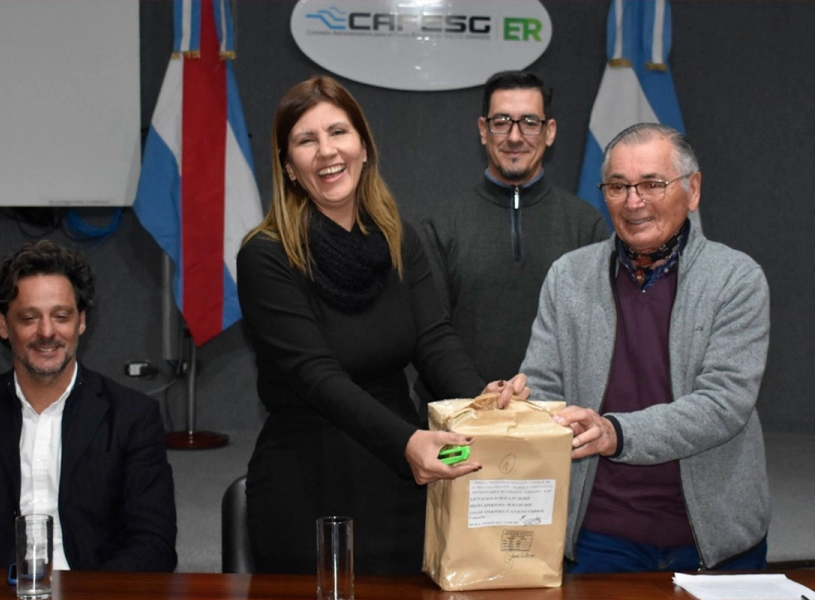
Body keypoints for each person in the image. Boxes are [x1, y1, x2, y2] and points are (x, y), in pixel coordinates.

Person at [236, 76, 528, 575]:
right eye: (306, 140)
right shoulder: (265, 256)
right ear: (287, 166)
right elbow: (317, 377)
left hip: (402, 483)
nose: (327, 151)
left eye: (338, 132)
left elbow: (434, 339)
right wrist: (407, 443)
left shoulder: (398, 238)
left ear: (364, 147)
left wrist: (482, 399)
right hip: (308, 482)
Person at [520, 123, 770, 573]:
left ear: (693, 190)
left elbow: (724, 405)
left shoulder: (736, 279)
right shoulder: (568, 276)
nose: (633, 202)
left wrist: (617, 433)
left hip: (715, 540)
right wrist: (519, 406)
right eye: (618, 187)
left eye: (652, 184)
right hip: (599, 536)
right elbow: (542, 386)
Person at [0, 240, 178, 572]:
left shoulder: (133, 416)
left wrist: (90, 594)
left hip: (96, 591)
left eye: (61, 316)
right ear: (3, 325)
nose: (46, 332)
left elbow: (153, 543)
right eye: (29, 318)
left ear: (81, 321)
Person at [419, 71, 608, 401]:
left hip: (555, 418)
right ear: (483, 130)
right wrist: (479, 395)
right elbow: (429, 334)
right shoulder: (441, 225)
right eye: (502, 122)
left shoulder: (586, 225)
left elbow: (598, 336)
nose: (515, 136)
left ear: (550, 131)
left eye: (530, 122)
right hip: (461, 417)